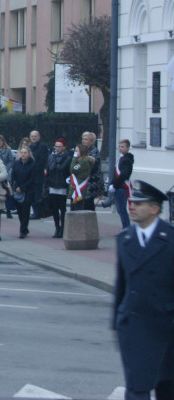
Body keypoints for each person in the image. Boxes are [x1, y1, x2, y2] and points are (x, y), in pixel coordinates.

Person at [113, 180, 174, 400]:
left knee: (166, 388)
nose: (132, 206)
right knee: (137, 389)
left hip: (165, 328)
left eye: (139, 203)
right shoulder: (125, 239)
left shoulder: (170, 239)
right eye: (132, 201)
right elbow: (121, 285)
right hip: (134, 326)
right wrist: (117, 322)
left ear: (155, 209)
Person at [46, 139, 72, 238]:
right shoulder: (51, 157)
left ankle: (63, 228)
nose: (57, 148)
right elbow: (48, 171)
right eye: (56, 146)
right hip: (53, 185)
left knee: (62, 208)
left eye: (60, 146)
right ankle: (57, 227)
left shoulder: (68, 158)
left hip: (62, 185)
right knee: (54, 208)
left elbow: (68, 171)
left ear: (64, 147)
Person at [9, 145, 37, 239]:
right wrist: (16, 186)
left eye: (25, 153)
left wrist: (23, 188)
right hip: (17, 190)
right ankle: (24, 227)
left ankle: (23, 230)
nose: (23, 154)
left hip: (28, 191)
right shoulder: (16, 163)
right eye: (22, 153)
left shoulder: (32, 164)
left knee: (25, 211)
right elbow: (13, 176)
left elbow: (32, 179)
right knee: (20, 211)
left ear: (29, 154)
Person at [107, 139, 134, 229]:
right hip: (119, 186)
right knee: (120, 210)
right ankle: (125, 227)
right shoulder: (122, 158)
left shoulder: (127, 160)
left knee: (121, 209)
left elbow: (124, 175)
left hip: (122, 187)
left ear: (128, 148)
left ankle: (126, 228)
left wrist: (114, 185)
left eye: (123, 147)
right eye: (119, 146)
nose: (120, 148)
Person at [27, 130, 50, 219]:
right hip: (30, 176)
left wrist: (32, 167)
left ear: (39, 137)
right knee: (31, 195)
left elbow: (42, 161)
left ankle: (38, 212)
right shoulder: (29, 147)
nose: (33, 138)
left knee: (37, 195)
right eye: (32, 136)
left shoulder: (42, 147)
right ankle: (35, 211)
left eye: (35, 136)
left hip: (38, 175)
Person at [0, 135, 16, 219]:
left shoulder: (8, 150)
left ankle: (8, 210)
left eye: (1, 141)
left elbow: (11, 161)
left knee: (7, 193)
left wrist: (5, 168)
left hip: (6, 173)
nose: (0, 143)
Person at [68, 143, 97, 212]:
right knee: (73, 210)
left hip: (79, 189)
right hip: (75, 188)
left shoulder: (83, 162)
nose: (75, 152)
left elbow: (73, 169)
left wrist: (74, 158)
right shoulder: (80, 161)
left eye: (76, 151)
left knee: (77, 210)